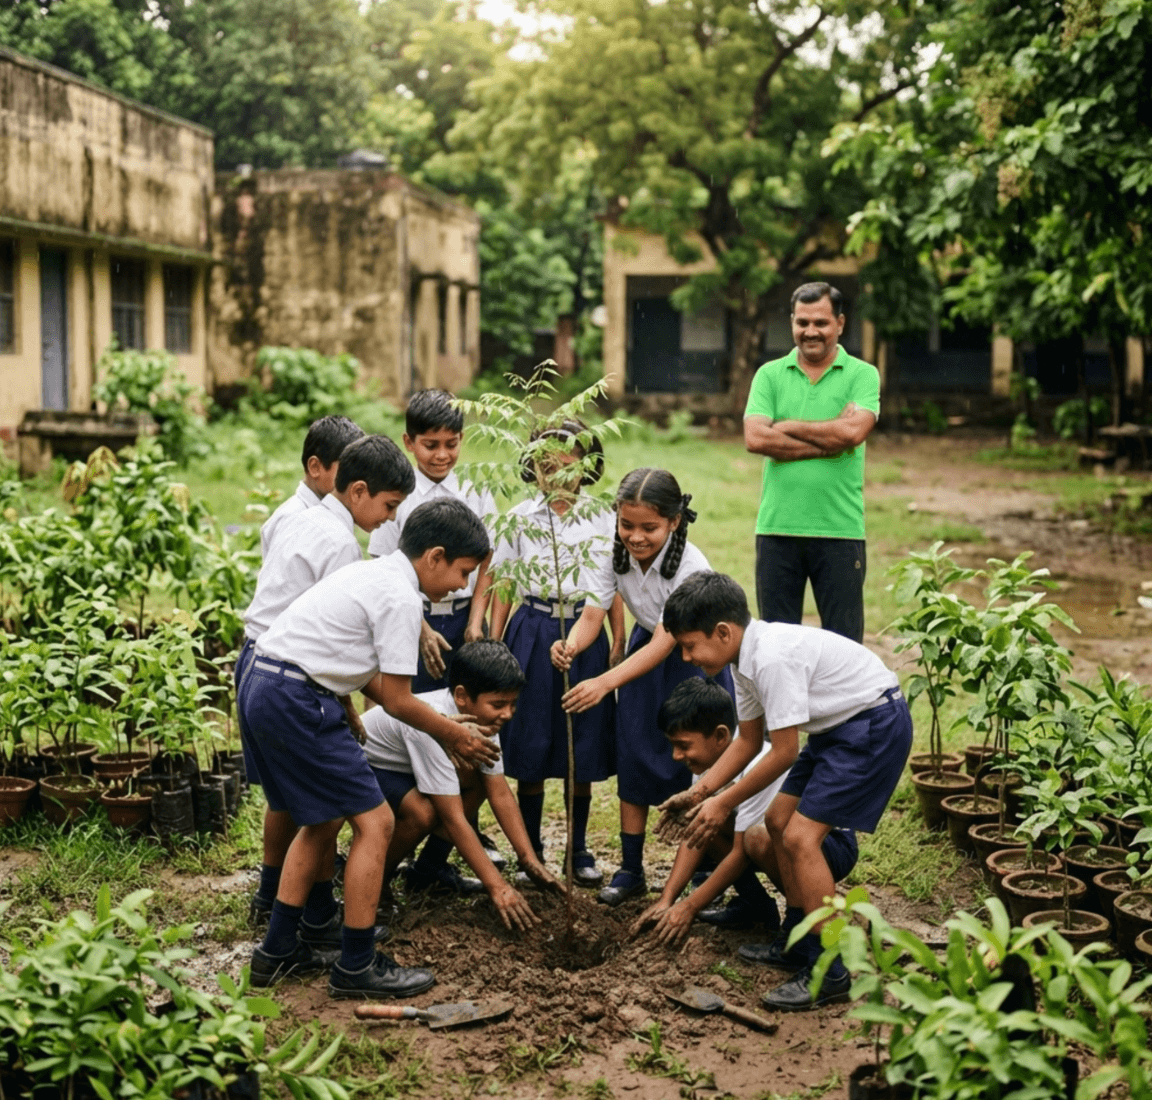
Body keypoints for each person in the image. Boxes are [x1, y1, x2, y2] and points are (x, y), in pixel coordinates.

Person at [240, 498, 500, 998]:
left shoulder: (374, 574)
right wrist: (454, 732)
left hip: (267, 682)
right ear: (435, 556)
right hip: (298, 698)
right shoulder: (400, 598)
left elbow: (346, 661)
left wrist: (350, 707)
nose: (463, 586)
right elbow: (401, 702)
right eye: (463, 572)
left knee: (321, 820)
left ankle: (276, 952)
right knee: (375, 823)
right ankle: (357, 965)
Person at [658, 571, 912, 1012]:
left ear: (723, 631)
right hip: (837, 729)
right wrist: (700, 795)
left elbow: (785, 751)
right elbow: (748, 742)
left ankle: (832, 968)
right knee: (776, 822)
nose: (685, 656)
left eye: (689, 644)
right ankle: (797, 938)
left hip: (871, 724)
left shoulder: (772, 658)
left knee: (799, 837)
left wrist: (722, 802)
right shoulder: (743, 661)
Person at [240, 435, 414, 928]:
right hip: (296, 678)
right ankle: (302, 921)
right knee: (326, 811)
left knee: (295, 803)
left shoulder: (294, 514)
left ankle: (285, 907)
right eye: (388, 505)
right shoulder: (341, 542)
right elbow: (329, 641)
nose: (388, 519)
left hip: (258, 657)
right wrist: (350, 705)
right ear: (357, 491)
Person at [551, 468, 735, 907]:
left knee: (697, 763)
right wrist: (570, 645)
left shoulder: (691, 566)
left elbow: (668, 638)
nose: (636, 537)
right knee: (634, 752)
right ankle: (631, 868)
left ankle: (704, 867)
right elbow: (592, 616)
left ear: (674, 521)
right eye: (626, 525)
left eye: (649, 527)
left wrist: (604, 682)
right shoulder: (611, 555)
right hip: (642, 660)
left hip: (692, 661)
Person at [489, 419, 624, 889]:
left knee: (579, 739)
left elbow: (613, 587)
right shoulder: (522, 516)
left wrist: (619, 638)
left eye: (570, 466)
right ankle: (532, 847)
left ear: (589, 467)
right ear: (533, 468)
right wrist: (494, 637)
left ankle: (578, 847)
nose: (559, 475)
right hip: (530, 626)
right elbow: (504, 583)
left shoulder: (604, 517)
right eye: (547, 466)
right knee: (529, 735)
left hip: (585, 627)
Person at [630, 679, 858, 945]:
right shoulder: (707, 768)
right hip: (777, 841)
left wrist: (689, 907)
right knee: (706, 826)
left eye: (683, 745)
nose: (676, 756)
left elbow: (740, 853)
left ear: (720, 736)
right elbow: (694, 838)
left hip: (827, 847)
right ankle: (756, 908)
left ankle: (814, 915)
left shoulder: (760, 764)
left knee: (754, 839)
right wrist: (667, 899)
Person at [362, 639, 564, 924]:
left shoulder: (483, 719)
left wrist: (528, 858)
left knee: (482, 777)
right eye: (499, 704)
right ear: (461, 697)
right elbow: (454, 819)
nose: (507, 714)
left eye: (512, 704)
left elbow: (500, 792)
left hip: (403, 766)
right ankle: (376, 881)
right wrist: (498, 887)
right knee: (423, 813)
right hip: (368, 765)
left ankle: (428, 870)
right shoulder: (428, 721)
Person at [743, 282, 880, 643]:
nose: (811, 332)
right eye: (802, 322)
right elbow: (756, 437)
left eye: (820, 322)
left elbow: (853, 434)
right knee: (777, 647)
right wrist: (828, 441)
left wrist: (786, 427)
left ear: (840, 323)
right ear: (792, 323)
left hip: (840, 530)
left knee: (845, 647)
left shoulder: (862, 374)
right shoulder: (769, 374)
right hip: (776, 530)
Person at [367, 390, 497, 692]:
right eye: (430, 445)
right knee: (413, 709)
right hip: (411, 619)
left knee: (468, 705)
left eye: (451, 445)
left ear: (461, 438)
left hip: (466, 619)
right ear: (409, 442)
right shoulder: (397, 495)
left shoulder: (475, 490)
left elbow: (490, 559)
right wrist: (421, 628)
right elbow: (383, 566)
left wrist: (476, 620)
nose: (442, 455)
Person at [259, 415, 365, 558]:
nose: (356, 479)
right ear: (315, 467)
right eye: (347, 469)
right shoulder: (292, 520)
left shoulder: (335, 513)